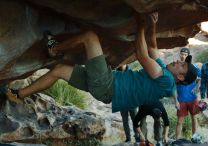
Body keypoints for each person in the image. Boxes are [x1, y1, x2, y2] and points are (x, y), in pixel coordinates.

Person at [5, 12, 197, 114]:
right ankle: (17, 94)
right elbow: (153, 48)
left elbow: (141, 54)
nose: (179, 62)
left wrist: (140, 24)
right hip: (106, 87)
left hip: (107, 85)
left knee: (90, 37)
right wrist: (152, 25)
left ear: (180, 76)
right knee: (59, 70)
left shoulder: (167, 82)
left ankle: (54, 49)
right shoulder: (164, 72)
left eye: (182, 66)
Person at [174, 48, 201, 140]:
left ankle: (194, 138)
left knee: (194, 118)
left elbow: (202, 77)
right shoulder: (175, 67)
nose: (183, 56)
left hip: (192, 98)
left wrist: (197, 88)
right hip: (181, 99)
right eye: (182, 54)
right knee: (179, 121)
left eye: (185, 55)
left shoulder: (193, 66)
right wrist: (175, 99)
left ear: (188, 56)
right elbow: (172, 83)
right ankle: (177, 140)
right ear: (179, 55)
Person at [117, 64, 138, 142]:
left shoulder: (131, 72)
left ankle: (137, 137)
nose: (122, 64)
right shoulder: (116, 72)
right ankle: (128, 138)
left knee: (135, 120)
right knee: (125, 120)